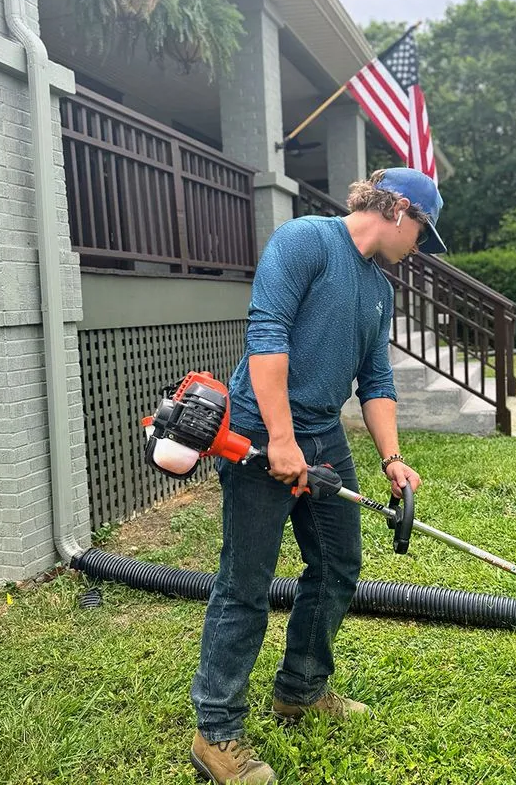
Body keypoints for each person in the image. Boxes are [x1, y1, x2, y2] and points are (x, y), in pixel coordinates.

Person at [190, 168, 447, 784]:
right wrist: (278, 438)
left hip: (324, 435)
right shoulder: (305, 240)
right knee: (246, 582)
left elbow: (376, 382)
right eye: (422, 233)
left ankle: (300, 689)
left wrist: (391, 459)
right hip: (260, 426)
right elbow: (267, 334)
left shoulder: (379, 291)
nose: (420, 249)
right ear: (397, 210)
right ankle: (216, 732)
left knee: (339, 563)